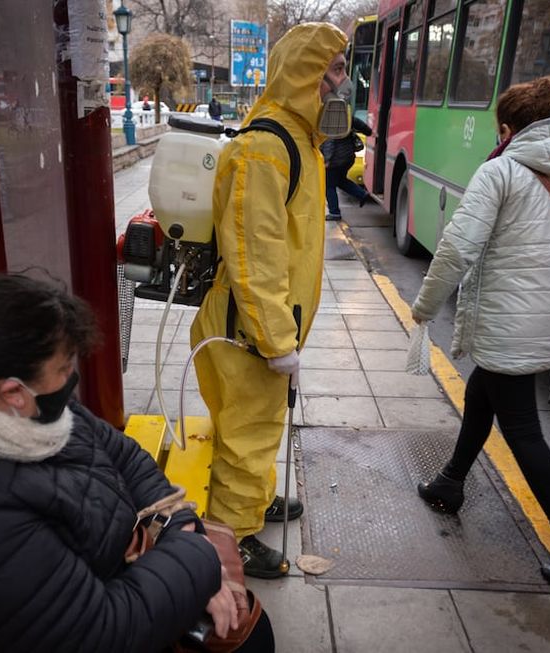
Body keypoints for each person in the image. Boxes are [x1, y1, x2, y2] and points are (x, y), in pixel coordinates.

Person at [0, 274, 274, 652]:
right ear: (12, 391)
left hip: (117, 576)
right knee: (247, 637)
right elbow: (103, 632)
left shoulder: (26, 413)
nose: (71, 380)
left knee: (246, 627)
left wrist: (179, 527)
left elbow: (122, 455)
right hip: (95, 623)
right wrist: (199, 560)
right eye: (64, 368)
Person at [411, 75, 550, 590]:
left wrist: (422, 309)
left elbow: (457, 248)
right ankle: (451, 482)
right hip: (547, 319)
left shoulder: (500, 172)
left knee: (524, 431)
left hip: (508, 320)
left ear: (510, 128)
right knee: (482, 389)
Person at [190, 22, 349, 579]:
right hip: (247, 330)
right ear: (304, 71)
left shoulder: (298, 141)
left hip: (265, 326)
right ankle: (232, 536)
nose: (341, 81)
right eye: (333, 68)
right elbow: (253, 258)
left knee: (257, 427)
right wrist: (277, 340)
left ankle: (253, 503)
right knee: (247, 434)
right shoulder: (264, 149)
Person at [322, 114, 372, 221]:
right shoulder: (346, 115)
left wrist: (327, 160)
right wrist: (370, 132)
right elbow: (362, 126)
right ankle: (361, 194)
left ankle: (334, 212)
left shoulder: (329, 116)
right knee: (340, 180)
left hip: (335, 159)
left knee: (329, 185)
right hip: (348, 156)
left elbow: (329, 142)